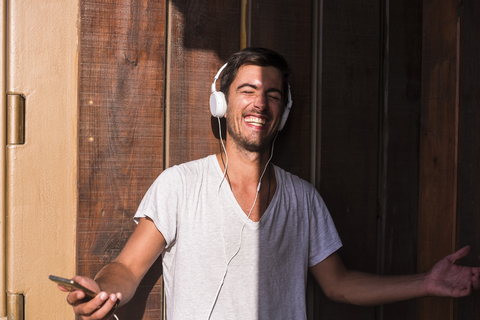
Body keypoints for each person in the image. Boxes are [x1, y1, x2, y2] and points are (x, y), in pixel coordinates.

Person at [59, 47, 480, 319]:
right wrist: (105, 291)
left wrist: (425, 282)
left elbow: (340, 284)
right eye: (247, 90)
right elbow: (126, 269)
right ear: (222, 103)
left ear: (284, 109)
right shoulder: (180, 185)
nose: (260, 103)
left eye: (273, 95)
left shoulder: (303, 199)